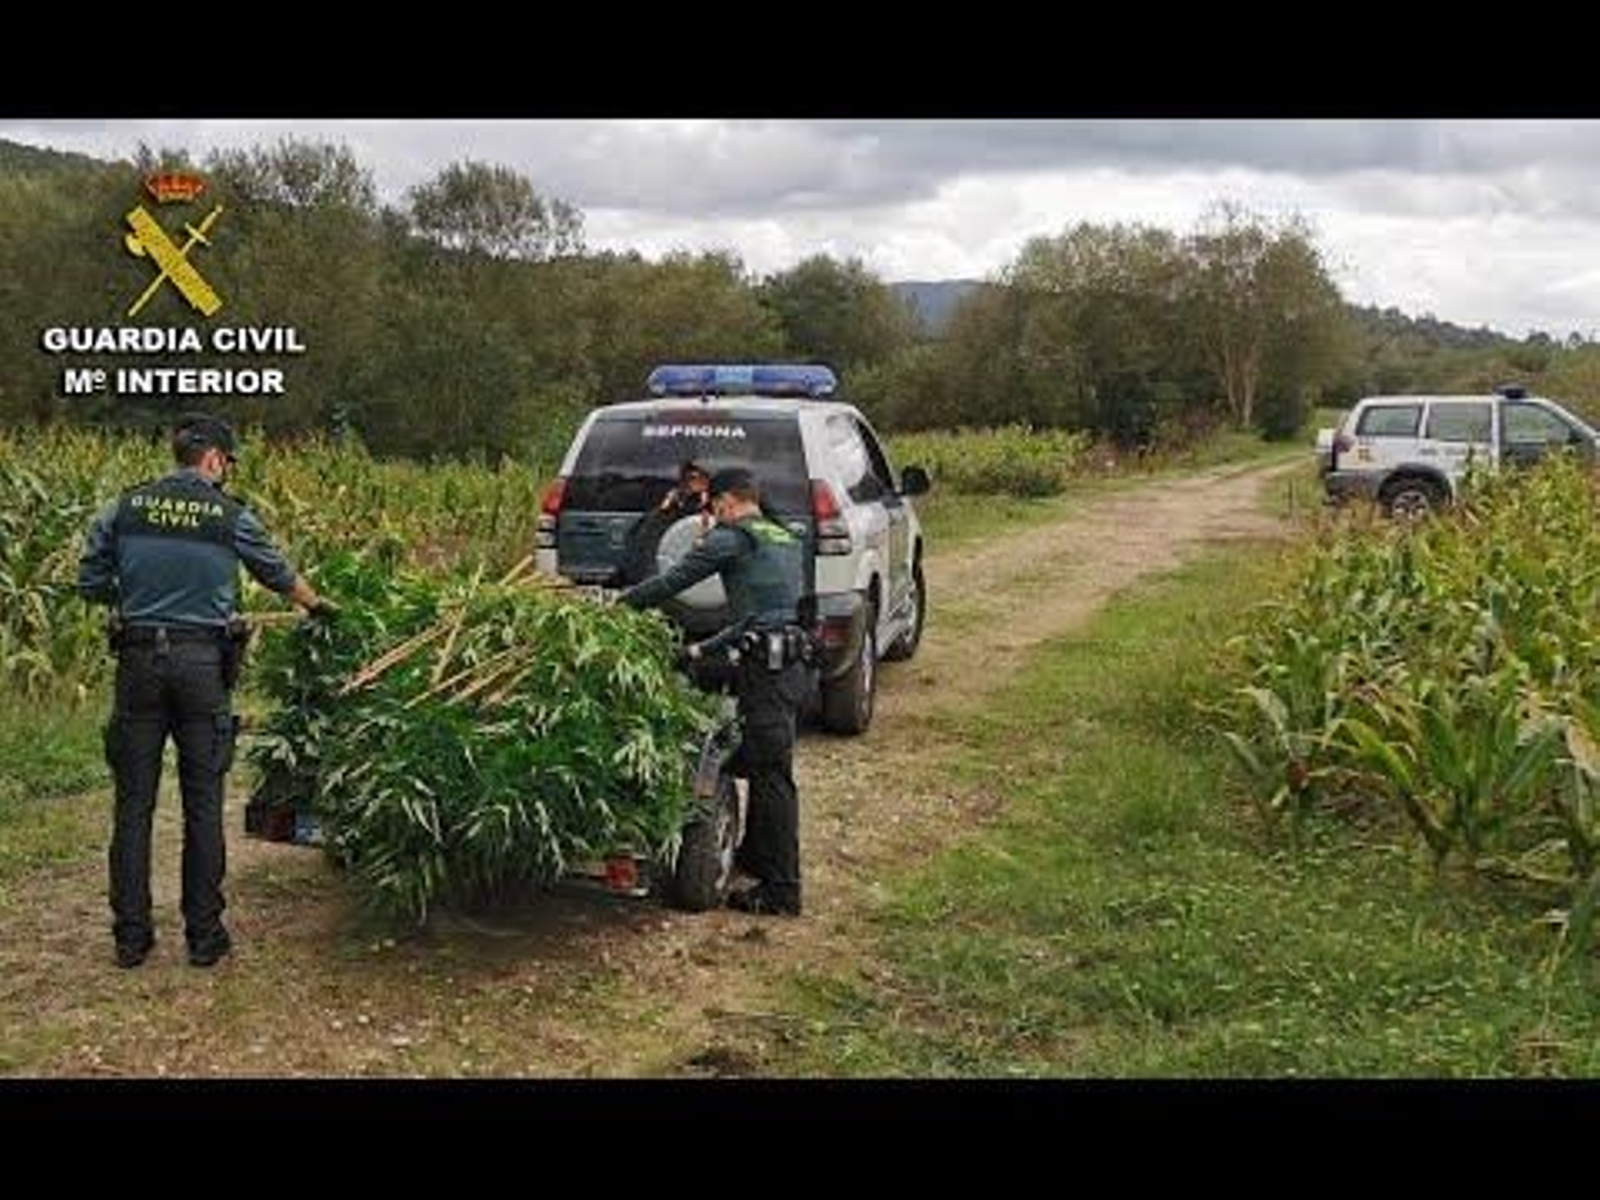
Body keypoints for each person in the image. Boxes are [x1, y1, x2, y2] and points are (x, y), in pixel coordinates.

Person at [77, 413, 335, 968]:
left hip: (138, 665)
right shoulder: (228, 514)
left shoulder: (124, 507)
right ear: (215, 460)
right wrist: (318, 607)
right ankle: (203, 937)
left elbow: (90, 581)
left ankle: (130, 937)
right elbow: (277, 573)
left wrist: (135, 597)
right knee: (202, 805)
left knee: (133, 806)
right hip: (202, 669)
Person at [620, 467, 810, 916]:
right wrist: (702, 648)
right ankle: (757, 857)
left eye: (713, 507)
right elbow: (760, 617)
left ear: (725, 502)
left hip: (768, 670)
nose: (713, 515)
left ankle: (782, 891)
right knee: (769, 766)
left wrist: (618, 603)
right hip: (788, 663)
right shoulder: (782, 536)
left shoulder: (733, 536)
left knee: (771, 775)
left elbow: (673, 581)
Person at [619, 460, 712, 585]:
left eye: (701, 477)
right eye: (692, 477)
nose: (696, 481)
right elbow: (647, 539)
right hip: (660, 574)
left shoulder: (719, 507)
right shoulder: (666, 508)